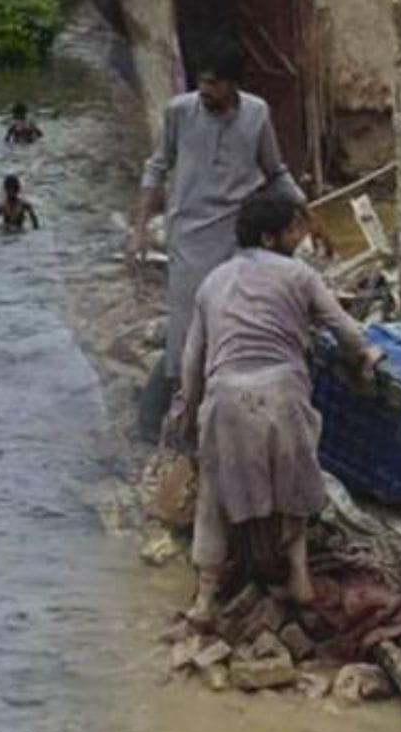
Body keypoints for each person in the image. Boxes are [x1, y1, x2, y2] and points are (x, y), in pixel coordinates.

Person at [173, 193, 380, 626]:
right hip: (284, 393)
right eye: (293, 230)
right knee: (296, 487)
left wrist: (189, 411)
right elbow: (344, 329)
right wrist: (366, 355)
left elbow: (193, 359)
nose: (300, 237)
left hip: (227, 397)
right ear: (270, 237)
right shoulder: (300, 275)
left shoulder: (213, 281)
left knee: (214, 496)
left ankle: (205, 600)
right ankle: (300, 580)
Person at [131, 40, 310, 441]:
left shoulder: (257, 114)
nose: (205, 90)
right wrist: (140, 228)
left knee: (232, 323)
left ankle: (221, 415)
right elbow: (156, 168)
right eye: (201, 82)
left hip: (236, 237)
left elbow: (275, 171)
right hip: (189, 237)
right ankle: (169, 416)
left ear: (233, 85)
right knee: (185, 330)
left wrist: (307, 213)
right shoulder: (180, 112)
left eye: (213, 83)